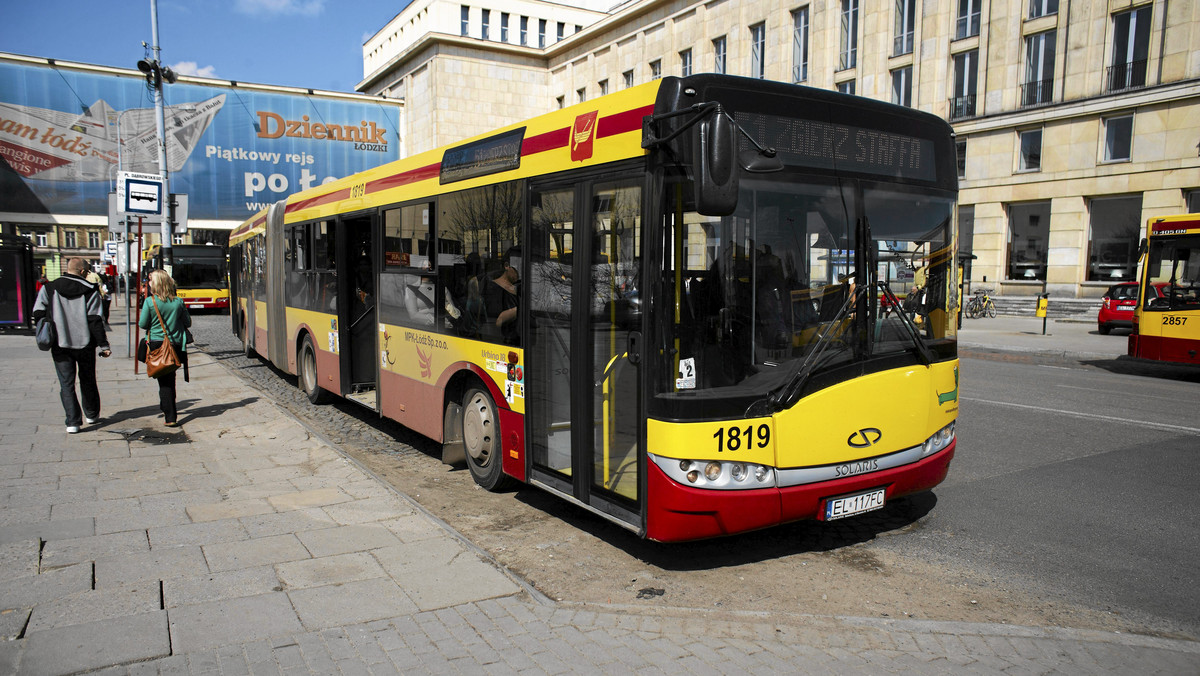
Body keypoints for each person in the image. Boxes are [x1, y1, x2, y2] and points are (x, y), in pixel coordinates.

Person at [32, 257, 111, 434]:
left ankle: (73, 422)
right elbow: (95, 320)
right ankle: (91, 414)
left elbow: (37, 312)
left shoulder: (49, 288)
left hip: (60, 343)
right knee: (88, 379)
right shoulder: (90, 290)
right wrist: (103, 344)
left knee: (66, 384)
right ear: (82, 271)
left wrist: (51, 323)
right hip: (85, 344)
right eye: (88, 270)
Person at [138, 269, 192, 427]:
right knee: (169, 379)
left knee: (164, 382)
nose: (148, 283)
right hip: (175, 344)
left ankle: (170, 416)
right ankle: (167, 408)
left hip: (157, 344)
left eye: (150, 281)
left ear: (156, 284)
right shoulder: (178, 302)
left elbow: (142, 324)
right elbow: (188, 322)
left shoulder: (150, 301)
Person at [483, 248, 520, 345]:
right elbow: (497, 321)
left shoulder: (517, 288)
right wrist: (519, 310)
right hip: (505, 342)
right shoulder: (493, 288)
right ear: (506, 266)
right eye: (517, 267)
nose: (519, 272)